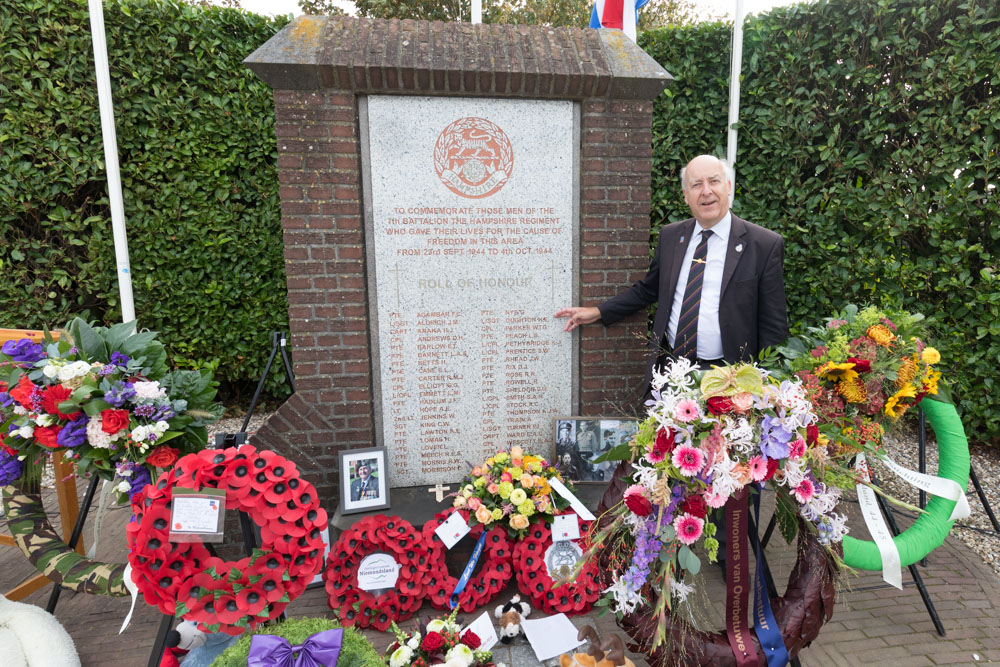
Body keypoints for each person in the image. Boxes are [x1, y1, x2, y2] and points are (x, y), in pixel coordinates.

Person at [554, 154, 788, 386]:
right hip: (672, 370)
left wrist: (764, 386)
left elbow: (773, 326)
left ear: (728, 187)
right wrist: (598, 311)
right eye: (696, 185)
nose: (706, 191)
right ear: (686, 196)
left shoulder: (763, 245)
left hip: (731, 377)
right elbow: (649, 289)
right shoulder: (671, 237)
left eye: (714, 181)